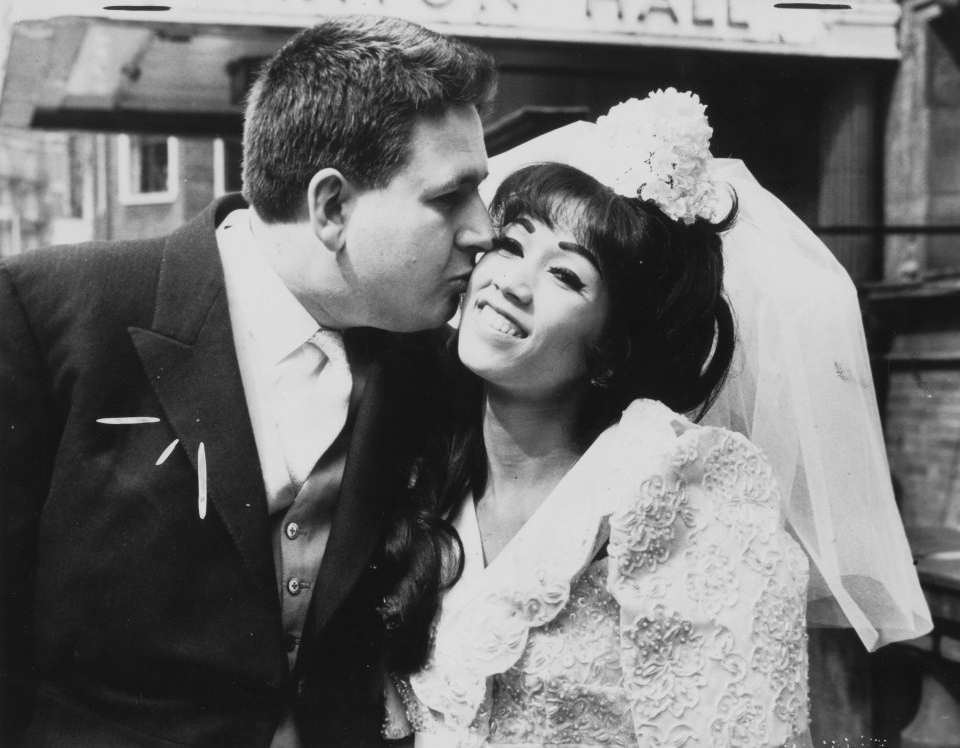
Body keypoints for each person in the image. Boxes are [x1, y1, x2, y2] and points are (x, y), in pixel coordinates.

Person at [377, 90, 932, 746]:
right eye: (510, 243)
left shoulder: (679, 494)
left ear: (611, 351)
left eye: (567, 277)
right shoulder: (418, 463)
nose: (511, 281)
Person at [0, 15, 495, 747]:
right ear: (331, 207)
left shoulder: (434, 370)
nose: (483, 229)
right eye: (450, 197)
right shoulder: (50, 314)